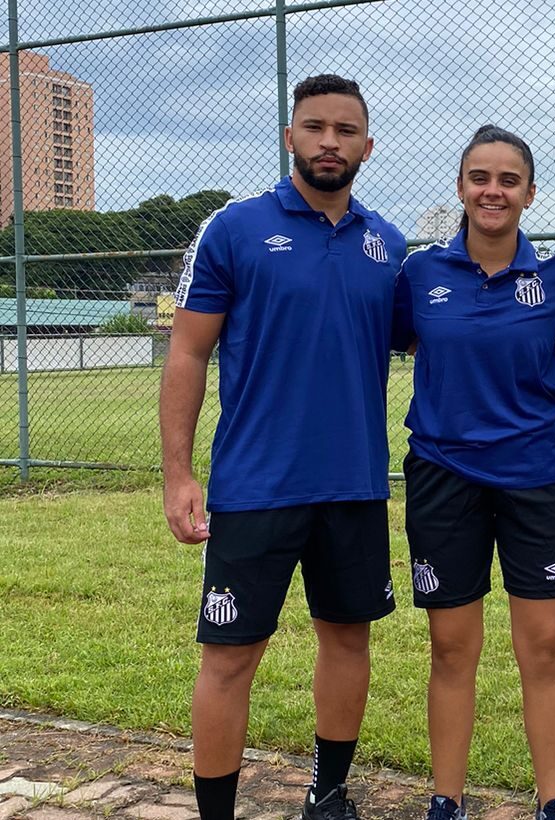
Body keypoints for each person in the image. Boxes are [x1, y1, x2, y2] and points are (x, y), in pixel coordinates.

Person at [160, 74, 407, 820]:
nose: (330, 142)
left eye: (345, 130)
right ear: (290, 135)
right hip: (256, 485)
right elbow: (187, 354)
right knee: (230, 657)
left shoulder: (388, 244)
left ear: (368, 145)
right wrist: (179, 474)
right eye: (315, 127)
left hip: (354, 485)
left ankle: (327, 797)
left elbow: (450, 328)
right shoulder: (234, 228)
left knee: (348, 641)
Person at [395, 125, 555, 820]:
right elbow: (399, 339)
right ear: (460, 187)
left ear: (530, 193)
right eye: (480, 177)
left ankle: (553, 801)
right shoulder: (420, 273)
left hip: (534, 475)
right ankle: (446, 798)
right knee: (451, 648)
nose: (492, 191)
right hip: (443, 475)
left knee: (544, 647)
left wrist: (531, 384)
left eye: (508, 180)